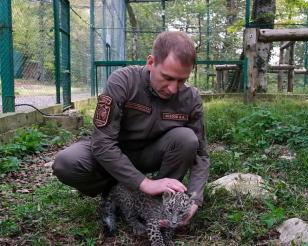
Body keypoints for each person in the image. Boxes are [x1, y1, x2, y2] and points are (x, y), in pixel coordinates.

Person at [52, 31, 209, 227]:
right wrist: (145, 183)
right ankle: (115, 190)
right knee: (67, 163)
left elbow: (201, 155)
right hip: (112, 154)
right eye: (168, 78)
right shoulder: (123, 81)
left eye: (181, 80)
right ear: (151, 62)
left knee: (187, 139)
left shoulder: (191, 98)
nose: (173, 89)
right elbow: (102, 143)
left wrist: (194, 200)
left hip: (150, 154)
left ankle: (157, 203)